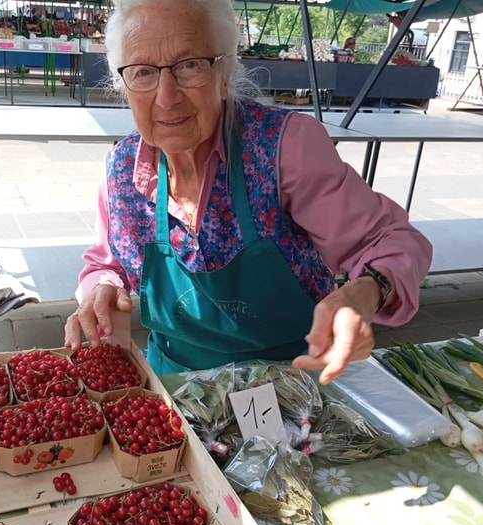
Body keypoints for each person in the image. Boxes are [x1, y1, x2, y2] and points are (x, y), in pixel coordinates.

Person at [64, 0, 432, 383]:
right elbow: (106, 264)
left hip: (296, 385)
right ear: (124, 85)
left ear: (224, 73)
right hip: (176, 390)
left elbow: (394, 240)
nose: (166, 96)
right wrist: (100, 290)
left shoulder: (283, 148)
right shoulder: (120, 172)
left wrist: (369, 289)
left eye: (189, 65)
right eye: (142, 72)